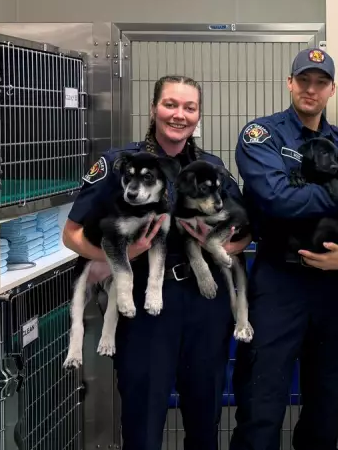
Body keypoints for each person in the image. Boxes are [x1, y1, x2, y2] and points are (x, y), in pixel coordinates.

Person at [62, 75, 251, 450]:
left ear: (198, 115)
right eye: (170, 104)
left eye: (189, 107)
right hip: (147, 308)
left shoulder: (210, 167)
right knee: (143, 420)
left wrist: (218, 248)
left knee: (204, 416)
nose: (179, 115)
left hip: (204, 303)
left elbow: (244, 232)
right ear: (153, 109)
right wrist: (121, 256)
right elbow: (71, 234)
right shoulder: (121, 163)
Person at [229, 48, 338, 450]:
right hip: (280, 283)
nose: (311, 89)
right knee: (262, 403)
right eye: (303, 80)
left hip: (336, 288)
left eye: (320, 82)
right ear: (290, 83)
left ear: (330, 90)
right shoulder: (263, 136)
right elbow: (275, 199)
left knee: (325, 410)